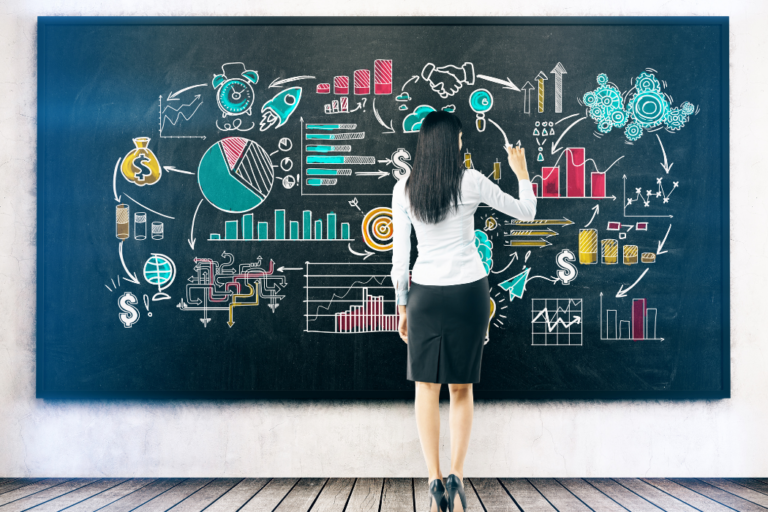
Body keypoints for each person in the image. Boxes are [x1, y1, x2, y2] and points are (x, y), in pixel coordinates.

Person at [390, 111, 536, 512]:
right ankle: (456, 475)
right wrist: (520, 171)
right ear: (454, 144)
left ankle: (434, 480)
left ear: (424, 144)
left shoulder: (404, 189)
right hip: (469, 293)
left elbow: (399, 260)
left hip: (424, 293)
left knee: (425, 387)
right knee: (462, 387)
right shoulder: (470, 181)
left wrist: (402, 305)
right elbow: (526, 211)